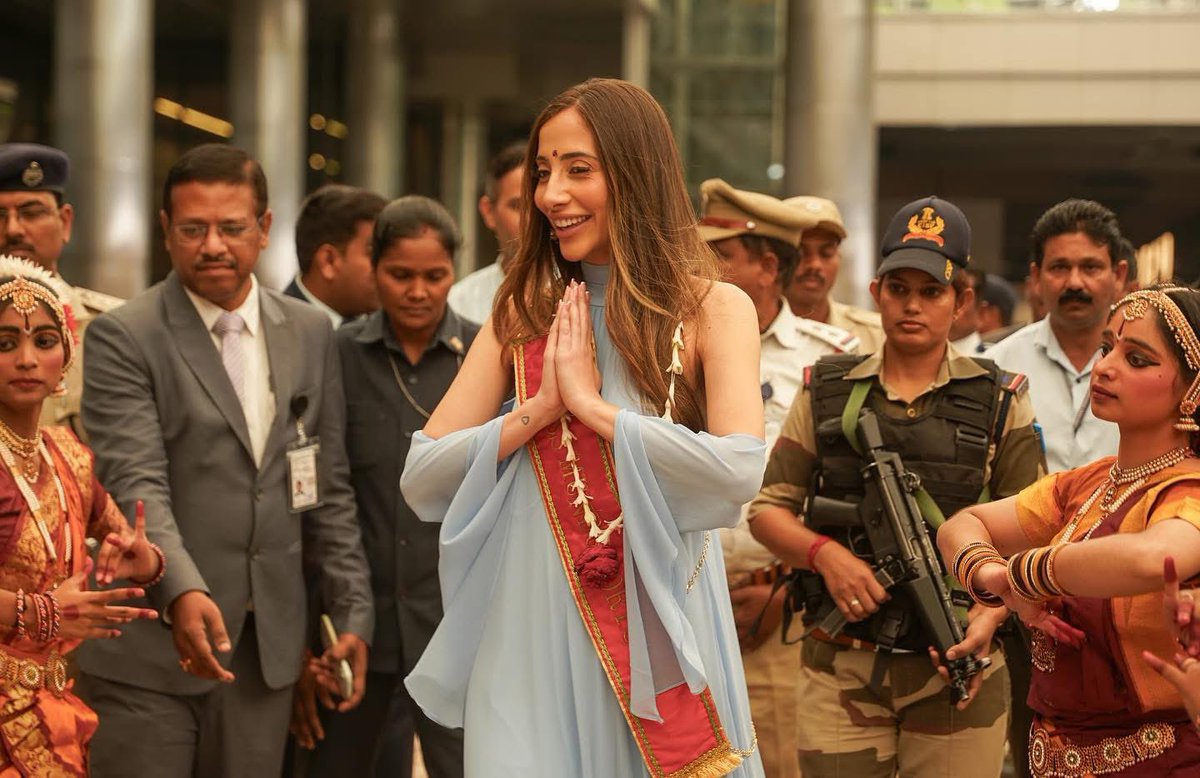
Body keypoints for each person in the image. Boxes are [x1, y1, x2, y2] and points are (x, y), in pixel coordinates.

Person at [400, 78, 764, 776]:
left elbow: (737, 472)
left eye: (578, 170)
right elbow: (423, 474)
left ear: (635, 173)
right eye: (543, 172)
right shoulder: (521, 311)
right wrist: (539, 408)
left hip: (657, 627)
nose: (551, 195)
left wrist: (597, 410)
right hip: (526, 623)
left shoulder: (714, 309)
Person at [75, 143, 374, 778]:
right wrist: (181, 588)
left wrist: (352, 611)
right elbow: (135, 481)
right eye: (193, 229)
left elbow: (328, 487)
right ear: (165, 230)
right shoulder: (125, 335)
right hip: (150, 649)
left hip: (265, 653)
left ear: (265, 229)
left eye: (232, 228)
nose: (213, 245)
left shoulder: (310, 331)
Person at [749, 196, 1046, 777]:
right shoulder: (826, 389)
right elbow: (769, 511)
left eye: (931, 292)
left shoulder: (1000, 398)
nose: (912, 305)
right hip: (840, 667)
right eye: (898, 288)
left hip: (959, 669)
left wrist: (988, 617)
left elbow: (1034, 527)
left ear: (961, 301)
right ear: (877, 290)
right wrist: (827, 556)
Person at [940, 284, 1200, 776]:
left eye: (1138, 359)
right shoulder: (1088, 484)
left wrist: (1025, 573)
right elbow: (963, 525)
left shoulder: (1187, 489)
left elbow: (1154, 558)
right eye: (1107, 348)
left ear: (1193, 390)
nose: (1104, 367)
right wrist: (991, 575)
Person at [296, 196, 474, 777]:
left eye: (435, 276)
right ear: (373, 269)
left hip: (458, 624)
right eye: (400, 275)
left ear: (455, 272)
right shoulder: (337, 352)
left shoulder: (481, 355)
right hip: (359, 624)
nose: (418, 291)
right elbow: (329, 490)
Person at [698, 176, 856, 778]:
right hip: (682, 600)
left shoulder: (831, 359)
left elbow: (847, 491)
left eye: (721, 256)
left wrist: (785, 584)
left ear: (768, 266)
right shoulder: (668, 346)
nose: (703, 269)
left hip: (783, 609)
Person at [0, 255, 161, 774]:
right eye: (5, 344)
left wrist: (144, 560)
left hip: (53, 705)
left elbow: (123, 539)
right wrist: (46, 612)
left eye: (44, 341)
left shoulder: (68, 454)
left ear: (66, 356)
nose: (27, 359)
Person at [984, 199, 1129, 474]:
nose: (1074, 282)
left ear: (1118, 275)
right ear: (1036, 277)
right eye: (1060, 267)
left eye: (1091, 267)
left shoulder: (1154, 366)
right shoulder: (996, 368)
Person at [0, 143, 124, 438]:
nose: (14, 229)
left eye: (32, 213)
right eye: (0, 215)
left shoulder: (115, 331)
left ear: (65, 222)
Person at [782, 194, 884, 355]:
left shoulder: (876, 336)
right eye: (800, 253)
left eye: (826, 253)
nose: (814, 265)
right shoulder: (747, 332)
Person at [286, 184, 388, 327]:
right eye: (375, 253)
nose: (387, 266)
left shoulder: (385, 333)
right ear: (329, 261)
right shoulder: (268, 330)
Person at [447, 141, 525, 325]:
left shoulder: (586, 291)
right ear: (488, 211)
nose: (532, 219)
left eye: (538, 206)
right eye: (519, 206)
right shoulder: (459, 304)